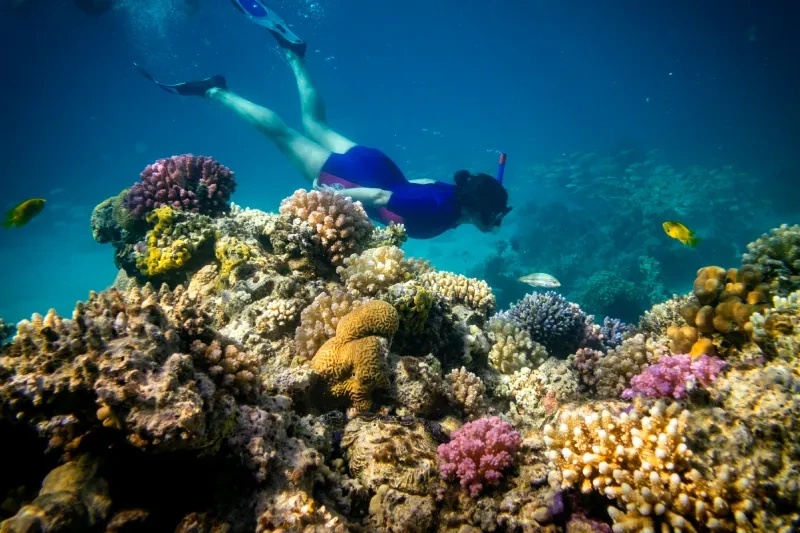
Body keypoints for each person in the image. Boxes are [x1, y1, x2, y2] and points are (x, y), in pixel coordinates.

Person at [137, 0, 512, 239]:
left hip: (378, 165)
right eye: (495, 216)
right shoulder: (439, 211)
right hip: (358, 180)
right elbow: (381, 197)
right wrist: (328, 195)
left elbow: (421, 181)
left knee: (314, 123)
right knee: (281, 134)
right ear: (477, 209)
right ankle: (214, 91)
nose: (498, 222)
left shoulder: (454, 195)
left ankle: (295, 56)